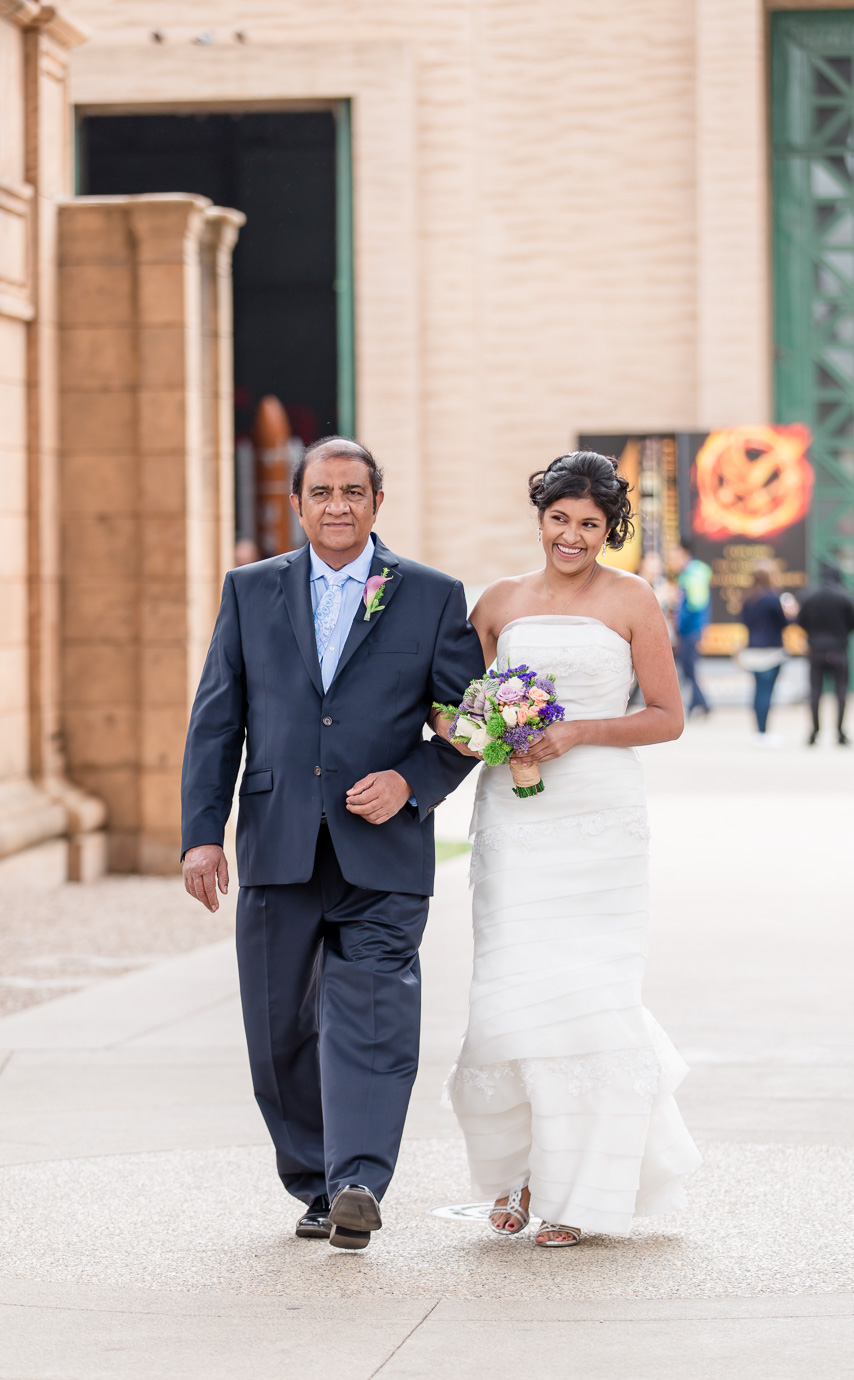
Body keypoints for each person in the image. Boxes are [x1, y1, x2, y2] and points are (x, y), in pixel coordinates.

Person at [181, 436, 484, 1250]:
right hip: (280, 843)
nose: (339, 506)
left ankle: (359, 1181)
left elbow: (471, 723)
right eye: (323, 492)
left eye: (355, 492)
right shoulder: (250, 592)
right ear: (298, 502)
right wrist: (202, 836)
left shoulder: (429, 595)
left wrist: (412, 781)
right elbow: (218, 720)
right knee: (279, 1029)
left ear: (378, 503)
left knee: (375, 1017)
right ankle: (314, 1181)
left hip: (382, 852)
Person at [434, 451, 701, 1247]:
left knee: (590, 995)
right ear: (541, 519)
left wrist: (577, 729)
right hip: (516, 823)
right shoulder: (500, 602)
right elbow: (451, 703)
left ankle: (578, 1192)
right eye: (560, 520)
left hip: (599, 821)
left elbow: (666, 715)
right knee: (511, 993)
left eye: (590, 524)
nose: (572, 536)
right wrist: (476, 730)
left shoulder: (633, 600)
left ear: (608, 528)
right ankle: (515, 1175)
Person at [796, 563, 854, 746]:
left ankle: (814, 731)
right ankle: (840, 732)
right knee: (841, 692)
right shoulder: (845, 595)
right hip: (839, 649)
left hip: (816, 649)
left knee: (815, 692)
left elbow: (800, 621)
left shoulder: (809, 595)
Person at [738, 562, 792, 744]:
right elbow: (783, 624)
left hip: (753, 650)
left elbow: (745, 622)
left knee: (758, 690)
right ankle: (763, 732)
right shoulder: (771, 599)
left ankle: (758, 730)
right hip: (771, 651)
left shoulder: (747, 599)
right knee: (766, 692)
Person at [669, 544, 712, 716]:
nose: (671, 559)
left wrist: (681, 626)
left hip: (690, 630)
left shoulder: (693, 573)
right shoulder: (690, 572)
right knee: (689, 668)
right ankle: (698, 703)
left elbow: (696, 604)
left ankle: (701, 703)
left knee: (689, 668)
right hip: (691, 629)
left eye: (674, 555)